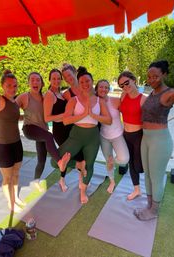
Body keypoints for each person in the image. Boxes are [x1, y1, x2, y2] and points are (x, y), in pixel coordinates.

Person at [134, 60, 174, 221]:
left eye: (155, 76)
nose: (152, 79)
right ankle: (149, 206)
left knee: (156, 176)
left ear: (164, 74)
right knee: (147, 175)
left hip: (160, 141)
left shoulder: (170, 94)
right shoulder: (152, 93)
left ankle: (154, 211)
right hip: (146, 139)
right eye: (149, 77)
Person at [57, 66, 112, 203]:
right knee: (55, 160)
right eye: (82, 82)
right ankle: (78, 165)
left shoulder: (99, 100)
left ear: (92, 81)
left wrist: (93, 115)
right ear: (78, 83)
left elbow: (109, 120)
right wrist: (82, 115)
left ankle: (83, 191)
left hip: (92, 136)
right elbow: (65, 120)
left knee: (90, 165)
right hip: (76, 134)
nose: (85, 84)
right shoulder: (73, 100)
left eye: (87, 81)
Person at [16, 71, 70, 192]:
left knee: (42, 159)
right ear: (28, 83)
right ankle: (60, 162)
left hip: (42, 131)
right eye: (32, 80)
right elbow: (11, 110)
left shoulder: (44, 97)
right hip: (30, 128)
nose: (35, 82)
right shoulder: (25, 96)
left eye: (37, 80)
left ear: (41, 83)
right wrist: (22, 117)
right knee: (49, 136)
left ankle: (35, 181)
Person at [43, 68, 86, 192]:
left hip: (70, 128)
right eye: (53, 78)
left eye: (58, 78)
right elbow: (47, 118)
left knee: (78, 153)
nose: (56, 80)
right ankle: (62, 180)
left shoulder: (61, 94)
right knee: (65, 156)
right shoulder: (49, 95)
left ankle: (80, 180)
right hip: (60, 131)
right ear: (49, 80)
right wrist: (65, 115)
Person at [0, 56, 24, 213]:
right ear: (3, 86)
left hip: (17, 143)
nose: (13, 88)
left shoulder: (14, 102)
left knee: (16, 174)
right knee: (7, 178)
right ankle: (10, 204)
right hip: (3, 146)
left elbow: (13, 118)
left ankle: (16, 198)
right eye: (9, 85)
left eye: (15, 85)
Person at [95, 79, 129, 193]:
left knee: (124, 158)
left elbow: (127, 111)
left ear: (109, 89)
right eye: (101, 87)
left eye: (106, 87)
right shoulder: (94, 102)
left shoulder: (115, 100)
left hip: (117, 135)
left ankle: (112, 162)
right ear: (97, 88)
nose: (103, 89)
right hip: (103, 136)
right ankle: (112, 181)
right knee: (107, 160)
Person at [118, 71, 146, 200]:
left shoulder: (143, 99)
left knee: (139, 166)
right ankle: (137, 189)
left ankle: (151, 185)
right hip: (126, 135)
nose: (125, 86)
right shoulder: (123, 96)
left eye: (126, 82)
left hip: (139, 136)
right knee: (130, 163)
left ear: (134, 80)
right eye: (122, 85)